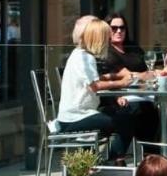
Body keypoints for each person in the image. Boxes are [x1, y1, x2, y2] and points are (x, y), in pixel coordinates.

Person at [55, 17, 134, 161]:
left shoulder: (80, 54)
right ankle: (114, 161)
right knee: (125, 120)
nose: (108, 40)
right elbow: (95, 86)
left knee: (123, 113)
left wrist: (113, 77)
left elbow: (93, 80)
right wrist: (122, 83)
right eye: (106, 36)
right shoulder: (84, 58)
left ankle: (108, 160)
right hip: (75, 118)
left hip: (79, 114)